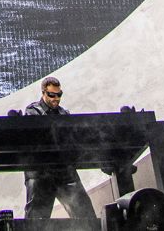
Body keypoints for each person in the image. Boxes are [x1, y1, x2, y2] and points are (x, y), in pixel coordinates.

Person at [22, 77, 99, 225]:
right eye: (52, 95)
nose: (56, 98)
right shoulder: (32, 111)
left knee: (86, 215)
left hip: (64, 171)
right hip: (41, 173)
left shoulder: (64, 113)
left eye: (59, 94)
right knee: (35, 221)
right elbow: (37, 137)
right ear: (43, 93)